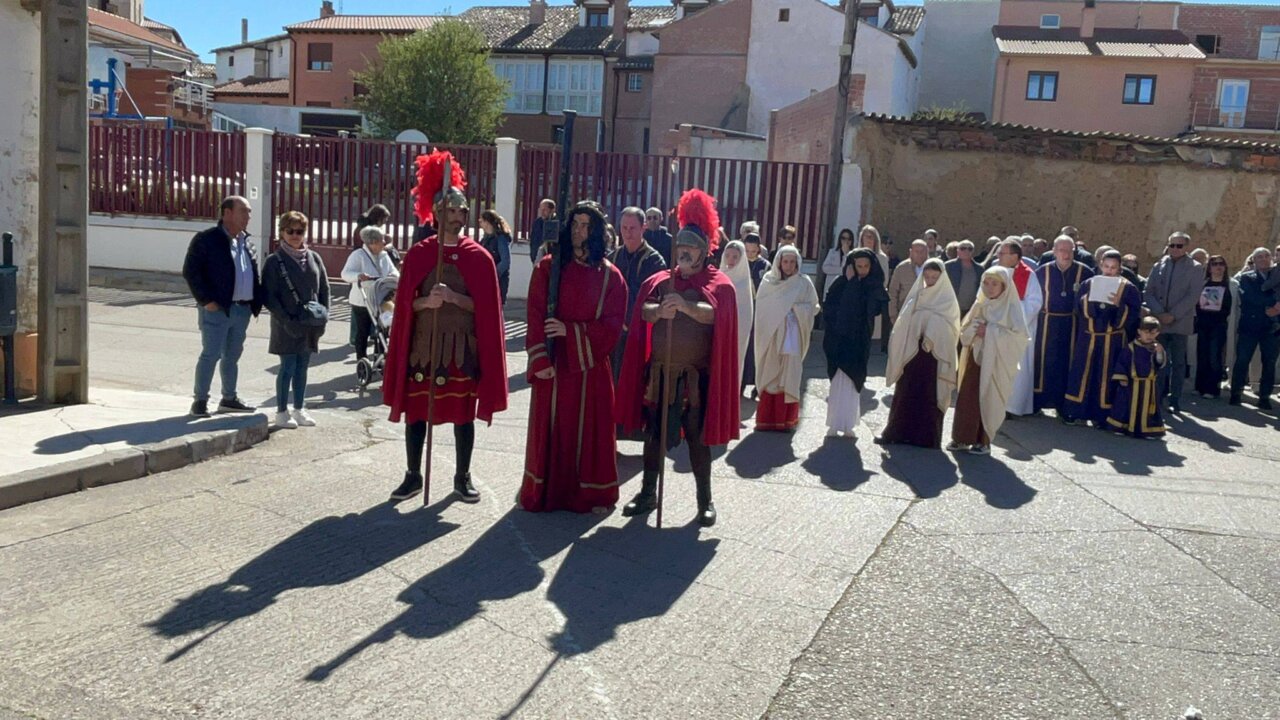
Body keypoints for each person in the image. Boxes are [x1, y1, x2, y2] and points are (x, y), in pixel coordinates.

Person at [383, 150, 508, 503]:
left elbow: (488, 310)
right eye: (450, 211)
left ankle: (462, 477)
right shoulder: (420, 254)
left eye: (462, 211)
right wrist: (426, 302)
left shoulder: (479, 258)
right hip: (424, 348)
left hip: (461, 350)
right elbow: (404, 305)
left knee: (462, 416)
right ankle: (413, 476)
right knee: (416, 414)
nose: (457, 216)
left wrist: (454, 298)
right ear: (436, 213)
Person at [616, 189, 740, 527]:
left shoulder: (719, 284)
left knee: (697, 439)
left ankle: (705, 501)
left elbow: (716, 315)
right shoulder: (661, 280)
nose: (684, 253)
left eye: (691, 248)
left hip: (694, 377)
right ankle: (647, 493)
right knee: (653, 437)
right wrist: (658, 311)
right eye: (680, 247)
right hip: (660, 375)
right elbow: (643, 309)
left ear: (704, 251)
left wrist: (685, 306)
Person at [520, 201, 628, 514]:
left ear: (598, 232)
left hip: (590, 368)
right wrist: (540, 359)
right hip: (553, 365)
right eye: (576, 225)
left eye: (587, 226)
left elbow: (612, 326)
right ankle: (546, 493)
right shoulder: (548, 268)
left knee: (590, 434)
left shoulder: (611, 278)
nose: (580, 232)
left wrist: (571, 331)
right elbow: (535, 313)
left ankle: (593, 494)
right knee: (551, 429)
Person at [182, 195, 263, 418]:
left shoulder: (246, 241)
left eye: (249, 212)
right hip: (217, 309)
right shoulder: (207, 239)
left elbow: (252, 272)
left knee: (232, 356)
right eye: (244, 211)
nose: (248, 216)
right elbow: (191, 271)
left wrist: (256, 301)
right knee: (211, 354)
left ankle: (229, 398)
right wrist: (205, 300)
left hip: (242, 309)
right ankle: (200, 401)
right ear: (227, 213)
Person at [878, 259, 960, 447]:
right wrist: (918, 322)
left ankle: (926, 438)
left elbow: (952, 329)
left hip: (933, 357)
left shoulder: (947, 300)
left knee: (929, 394)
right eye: (927, 276)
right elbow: (903, 322)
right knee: (905, 392)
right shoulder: (916, 296)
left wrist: (932, 327)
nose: (930, 281)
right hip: (912, 354)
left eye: (934, 277)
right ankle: (896, 433)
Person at [948, 267, 1030, 455]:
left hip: (996, 364)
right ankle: (961, 438)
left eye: (994, 284)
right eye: (986, 283)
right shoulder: (980, 305)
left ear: (1004, 286)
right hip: (975, 360)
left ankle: (983, 440)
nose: (989, 287)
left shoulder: (1011, 308)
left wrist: (990, 331)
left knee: (989, 399)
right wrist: (973, 330)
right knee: (968, 397)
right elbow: (964, 331)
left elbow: (1019, 338)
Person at [262, 212, 330, 429]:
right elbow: (268, 296)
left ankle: (299, 409)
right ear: (281, 232)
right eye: (289, 230)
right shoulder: (274, 261)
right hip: (286, 324)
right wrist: (285, 319)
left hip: (309, 323)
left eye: (299, 231)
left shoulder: (314, 257)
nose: (295, 235)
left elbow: (324, 288)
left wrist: (324, 315)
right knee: (288, 367)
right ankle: (282, 412)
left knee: (303, 366)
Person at [1061, 251, 1142, 426]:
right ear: (1100, 265)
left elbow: (1133, 315)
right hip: (1088, 337)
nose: (1109, 271)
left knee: (1105, 377)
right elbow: (1077, 308)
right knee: (1082, 374)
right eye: (1106, 266)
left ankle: (1102, 415)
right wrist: (1087, 301)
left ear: (1119, 268)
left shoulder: (1128, 288)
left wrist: (1119, 305)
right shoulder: (1088, 283)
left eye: (1113, 268)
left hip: (1112, 340)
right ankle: (1074, 411)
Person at [822, 248, 887, 438]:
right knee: (837, 381)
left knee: (853, 382)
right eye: (859, 266)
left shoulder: (873, 286)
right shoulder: (840, 283)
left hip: (859, 340)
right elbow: (831, 309)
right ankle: (833, 423)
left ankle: (849, 424)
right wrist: (851, 283)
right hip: (838, 340)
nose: (863, 269)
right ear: (851, 265)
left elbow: (872, 309)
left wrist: (855, 285)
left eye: (866, 266)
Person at [754, 245, 820, 431]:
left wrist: (796, 309)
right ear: (779, 262)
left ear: (797, 263)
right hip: (773, 335)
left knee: (790, 374)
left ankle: (785, 421)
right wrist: (779, 311)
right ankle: (767, 420)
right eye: (785, 261)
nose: (789, 265)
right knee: (771, 373)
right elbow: (762, 308)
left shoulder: (804, 283)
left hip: (793, 335)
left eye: (792, 262)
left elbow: (814, 307)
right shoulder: (769, 282)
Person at [1144, 231, 1204, 414]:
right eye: (1172, 245)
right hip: (1160, 322)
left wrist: (1174, 315)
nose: (1175, 249)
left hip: (1180, 322)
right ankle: (1156, 396)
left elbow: (1193, 295)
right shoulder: (1159, 265)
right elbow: (1148, 291)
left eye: (1179, 245)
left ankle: (1174, 398)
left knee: (1178, 363)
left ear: (1186, 247)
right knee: (1159, 360)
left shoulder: (1195, 268)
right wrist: (1159, 312)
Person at [1034, 235, 1094, 414]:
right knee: (1043, 360)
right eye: (1061, 250)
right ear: (1054, 251)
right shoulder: (1042, 272)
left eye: (1069, 251)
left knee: (1067, 361)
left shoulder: (1085, 273)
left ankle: (1063, 405)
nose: (1066, 254)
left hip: (1072, 323)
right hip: (1046, 322)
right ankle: (1038, 401)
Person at [608, 206, 667, 378]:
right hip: (612, 331)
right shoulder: (612, 258)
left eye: (632, 228)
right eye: (624, 228)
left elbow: (650, 298)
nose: (628, 233)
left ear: (643, 227)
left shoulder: (654, 261)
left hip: (639, 333)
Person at [995, 240, 1043, 416]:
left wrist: (1012, 312)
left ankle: (1012, 407)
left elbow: (1035, 303)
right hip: (996, 329)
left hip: (1019, 330)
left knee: (1017, 370)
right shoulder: (995, 272)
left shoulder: (1028, 275)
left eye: (1002, 253)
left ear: (1014, 256)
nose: (998, 256)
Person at [1229, 247, 1280, 410]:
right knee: (1242, 360)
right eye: (1260, 257)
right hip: (1250, 326)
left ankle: (1264, 396)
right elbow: (1251, 298)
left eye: (1266, 256)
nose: (1264, 259)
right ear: (1254, 260)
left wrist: (1277, 308)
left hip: (1272, 327)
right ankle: (1236, 393)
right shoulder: (1247, 277)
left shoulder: (1277, 275)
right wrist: (1273, 305)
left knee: (1269, 362)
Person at [341, 226, 400, 362]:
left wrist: (393, 277)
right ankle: (361, 358)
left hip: (382, 298)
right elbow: (345, 274)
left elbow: (394, 272)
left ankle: (380, 358)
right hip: (363, 300)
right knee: (363, 330)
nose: (384, 242)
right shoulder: (358, 255)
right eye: (381, 240)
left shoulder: (384, 255)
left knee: (383, 329)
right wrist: (359, 276)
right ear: (372, 242)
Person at [1107, 316, 1167, 439]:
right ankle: (1124, 427)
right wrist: (1122, 378)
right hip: (1132, 384)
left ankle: (1147, 430)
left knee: (1148, 408)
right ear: (1139, 331)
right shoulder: (1130, 347)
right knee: (1127, 406)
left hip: (1149, 385)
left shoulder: (1156, 348)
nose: (1149, 336)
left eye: (1153, 333)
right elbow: (1122, 362)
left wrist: (1159, 353)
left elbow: (1159, 364)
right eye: (1146, 332)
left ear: (1157, 333)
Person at [1195, 254, 1236, 399]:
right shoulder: (1203, 284)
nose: (1218, 267)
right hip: (1203, 325)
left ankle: (1212, 389)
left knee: (1214, 357)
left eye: (1221, 264)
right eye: (1214, 264)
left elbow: (1228, 308)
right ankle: (1200, 387)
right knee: (1202, 356)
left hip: (1218, 326)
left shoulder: (1230, 285)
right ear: (1209, 268)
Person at [720, 240, 755, 391]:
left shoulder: (743, 283)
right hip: (719, 329)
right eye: (727, 255)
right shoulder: (719, 277)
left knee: (734, 361)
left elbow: (745, 313)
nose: (731, 260)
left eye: (735, 257)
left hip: (737, 332)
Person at [477, 210, 513, 305]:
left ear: (487, 222)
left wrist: (494, 274)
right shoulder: (485, 239)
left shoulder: (500, 238)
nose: (480, 223)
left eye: (481, 221)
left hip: (498, 281)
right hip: (485, 279)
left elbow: (505, 261)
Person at [889, 240, 928, 323]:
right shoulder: (901, 268)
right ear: (911, 252)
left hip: (927, 314)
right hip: (905, 314)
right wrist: (893, 315)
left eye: (922, 251)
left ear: (927, 252)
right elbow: (893, 292)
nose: (919, 254)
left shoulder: (934, 267)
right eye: (916, 251)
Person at [945, 239, 981, 316]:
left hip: (971, 309)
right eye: (963, 248)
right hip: (952, 307)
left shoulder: (979, 269)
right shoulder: (948, 266)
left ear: (973, 251)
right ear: (957, 251)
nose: (966, 251)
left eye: (970, 249)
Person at [821, 228, 857, 296]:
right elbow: (825, 268)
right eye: (843, 238)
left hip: (844, 288)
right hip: (831, 285)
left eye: (849, 239)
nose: (846, 241)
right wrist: (841, 270)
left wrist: (846, 254)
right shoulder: (832, 252)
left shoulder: (854, 254)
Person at [529, 199, 556, 263]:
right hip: (537, 259)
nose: (542, 212)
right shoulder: (537, 223)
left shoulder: (557, 223)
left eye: (544, 210)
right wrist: (533, 256)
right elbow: (533, 240)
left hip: (551, 260)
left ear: (552, 210)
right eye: (540, 209)